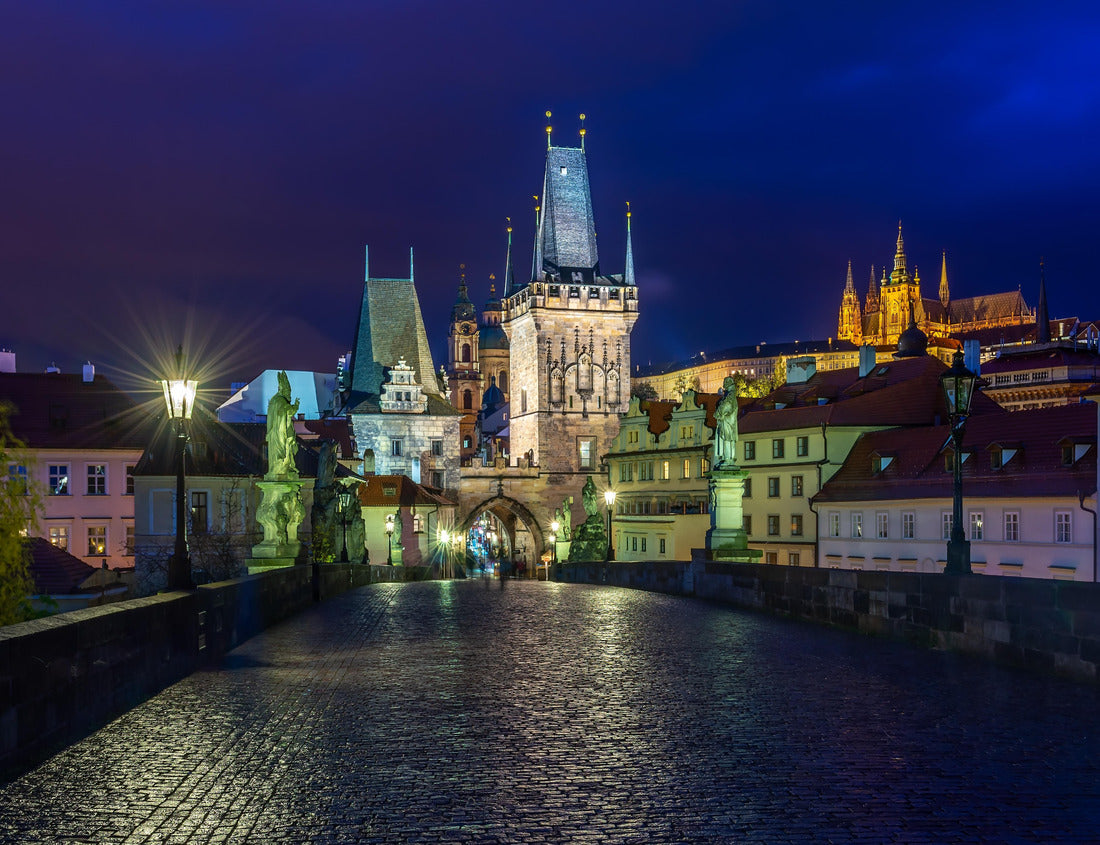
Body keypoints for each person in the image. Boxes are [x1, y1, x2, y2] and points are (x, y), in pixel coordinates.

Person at [713, 376, 739, 468]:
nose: (724, 386)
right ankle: (728, 458)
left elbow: (726, 406)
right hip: (728, 421)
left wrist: (718, 413)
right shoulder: (730, 395)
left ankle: (728, 459)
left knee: (727, 439)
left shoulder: (730, 396)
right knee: (728, 439)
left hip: (727, 422)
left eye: (725, 384)